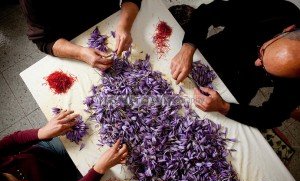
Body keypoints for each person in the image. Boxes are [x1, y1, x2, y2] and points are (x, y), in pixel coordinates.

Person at [170, 0, 300, 129]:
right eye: (262, 52)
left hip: (241, 86)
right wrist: (188, 47)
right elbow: (207, 12)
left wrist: (224, 107)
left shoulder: (296, 84)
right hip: (216, 51)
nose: (256, 62)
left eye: (265, 69)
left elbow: (270, 117)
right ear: (288, 30)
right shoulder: (278, 12)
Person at [0, 110, 128, 181]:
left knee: (88, 135)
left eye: (15, 178)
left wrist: (41, 133)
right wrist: (99, 169)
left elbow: (13, 141)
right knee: (114, 173)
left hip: (46, 152)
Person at [19, 0, 142, 71]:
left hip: (112, 17)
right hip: (74, 39)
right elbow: (44, 40)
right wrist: (80, 53)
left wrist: (124, 25)